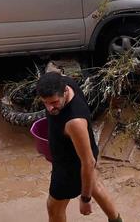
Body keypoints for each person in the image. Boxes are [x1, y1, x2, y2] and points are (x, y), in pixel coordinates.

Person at [38, 72, 122, 222]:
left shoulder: (74, 122)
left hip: (71, 169)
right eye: (45, 102)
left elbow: (88, 162)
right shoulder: (66, 83)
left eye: (54, 103)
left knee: (54, 208)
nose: (50, 108)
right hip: (83, 151)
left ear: (64, 92)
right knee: (94, 184)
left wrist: (85, 199)